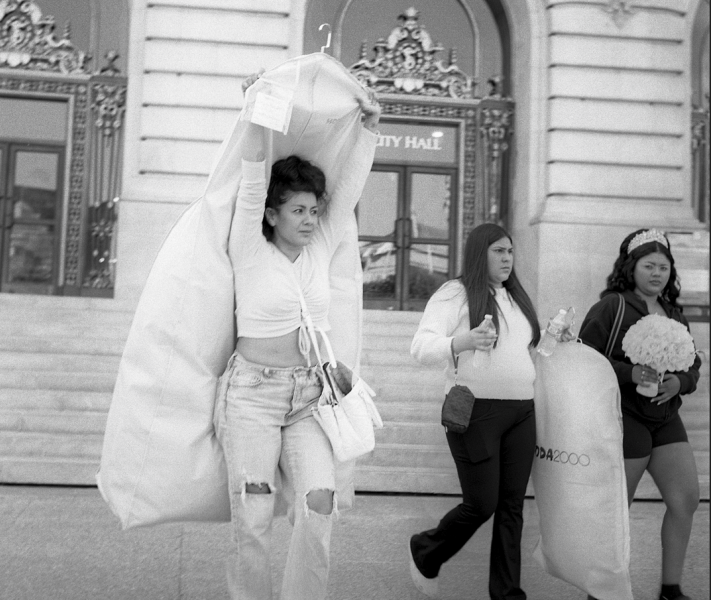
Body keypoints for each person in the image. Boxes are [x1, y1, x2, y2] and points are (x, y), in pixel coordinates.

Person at [212, 77, 380, 600]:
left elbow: (348, 190)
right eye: (298, 210)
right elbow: (253, 174)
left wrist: (368, 131)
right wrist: (261, 108)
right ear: (272, 213)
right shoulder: (248, 244)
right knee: (255, 516)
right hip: (251, 398)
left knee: (320, 506)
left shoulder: (320, 244)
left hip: (310, 398)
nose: (310, 220)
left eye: (313, 210)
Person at [408, 223, 542, 600]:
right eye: (498, 251)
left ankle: (506, 593)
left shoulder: (516, 297)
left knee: (512, 507)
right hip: (474, 412)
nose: (506, 258)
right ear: (479, 253)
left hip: (521, 413)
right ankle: (426, 548)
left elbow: (521, 352)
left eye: (510, 252)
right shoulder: (456, 292)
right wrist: (462, 341)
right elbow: (420, 347)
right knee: (482, 503)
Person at [579, 229, 702, 600]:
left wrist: (680, 383)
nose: (657, 273)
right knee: (619, 510)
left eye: (664, 267)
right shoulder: (611, 306)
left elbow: (693, 363)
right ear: (631, 268)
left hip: (666, 417)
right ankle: (601, 590)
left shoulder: (674, 313)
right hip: (625, 417)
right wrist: (628, 373)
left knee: (686, 499)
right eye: (649, 266)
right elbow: (582, 358)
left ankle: (671, 588)